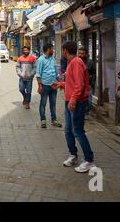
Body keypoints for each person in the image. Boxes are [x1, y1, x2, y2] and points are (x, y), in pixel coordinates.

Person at [52, 41, 95, 173]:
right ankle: (73, 155)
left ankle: (89, 160)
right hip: (70, 101)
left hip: (76, 102)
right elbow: (73, 83)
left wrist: (73, 100)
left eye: (62, 50)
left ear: (65, 50)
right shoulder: (73, 63)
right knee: (68, 130)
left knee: (77, 131)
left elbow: (80, 85)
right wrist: (62, 85)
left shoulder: (76, 62)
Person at [35, 43, 62, 129]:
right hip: (45, 85)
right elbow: (38, 74)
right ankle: (43, 120)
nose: (53, 50)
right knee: (43, 103)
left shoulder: (52, 59)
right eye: (52, 49)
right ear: (48, 49)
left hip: (53, 85)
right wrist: (39, 86)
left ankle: (54, 120)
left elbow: (56, 71)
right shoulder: (40, 60)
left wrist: (60, 82)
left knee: (53, 104)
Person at [78, 47, 96, 115]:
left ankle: (85, 112)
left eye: (82, 53)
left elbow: (94, 73)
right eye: (79, 53)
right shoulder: (76, 62)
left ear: (86, 54)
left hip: (88, 84)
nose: (80, 55)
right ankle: (82, 113)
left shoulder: (90, 62)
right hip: (79, 84)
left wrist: (92, 83)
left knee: (89, 101)